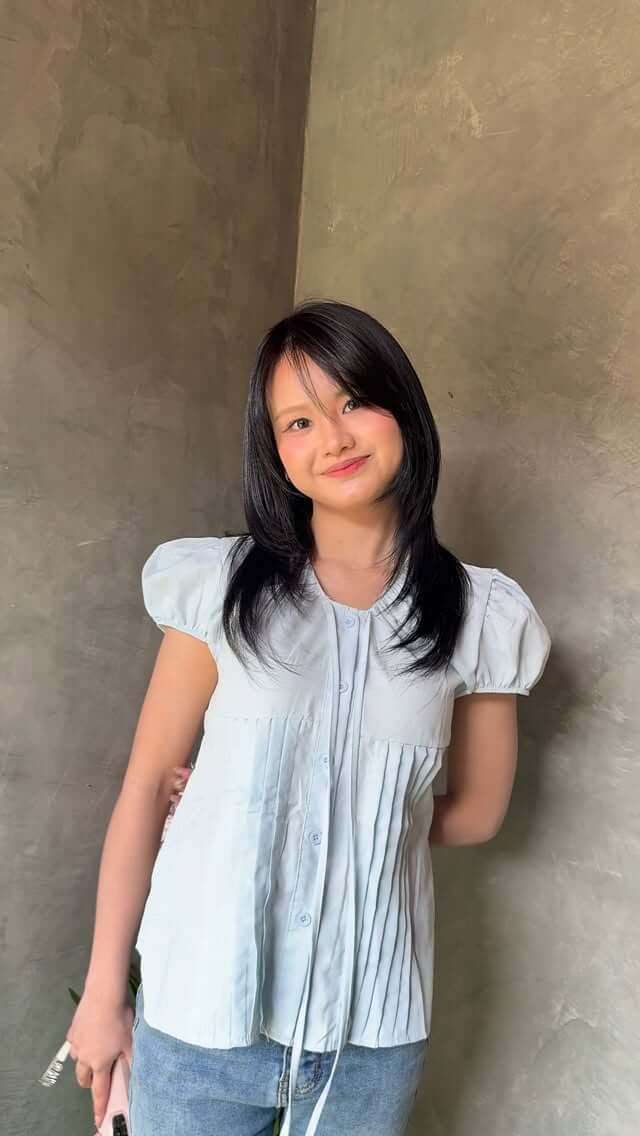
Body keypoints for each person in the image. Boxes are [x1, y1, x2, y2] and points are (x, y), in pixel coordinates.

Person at [66, 299, 552, 1136]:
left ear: (403, 410)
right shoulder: (220, 587)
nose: (333, 437)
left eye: (353, 401)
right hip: (199, 1020)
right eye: (298, 421)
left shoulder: (481, 615)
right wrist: (104, 995)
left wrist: (326, 809)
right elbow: (147, 787)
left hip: (369, 1040)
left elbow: (476, 813)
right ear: (276, 453)